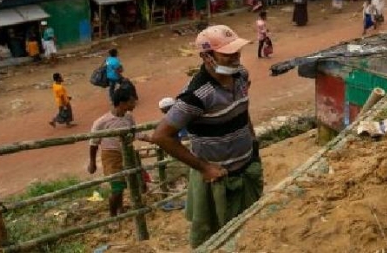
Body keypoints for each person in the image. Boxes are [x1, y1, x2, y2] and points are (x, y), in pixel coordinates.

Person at [149, 25, 263, 249]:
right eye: (227, 54)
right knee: (217, 235)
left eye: (237, 52)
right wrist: (204, 168)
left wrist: (251, 136)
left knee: (249, 226)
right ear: (206, 56)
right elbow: (161, 136)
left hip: (247, 165)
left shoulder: (241, 75)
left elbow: (242, 107)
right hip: (219, 178)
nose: (235, 58)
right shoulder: (196, 96)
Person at [88, 86, 138, 217]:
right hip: (111, 155)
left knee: (126, 182)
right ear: (122, 103)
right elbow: (93, 143)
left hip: (126, 152)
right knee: (117, 187)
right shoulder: (102, 122)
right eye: (131, 102)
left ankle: (121, 209)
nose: (134, 104)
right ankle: (113, 215)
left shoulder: (129, 117)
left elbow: (135, 133)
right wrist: (92, 162)